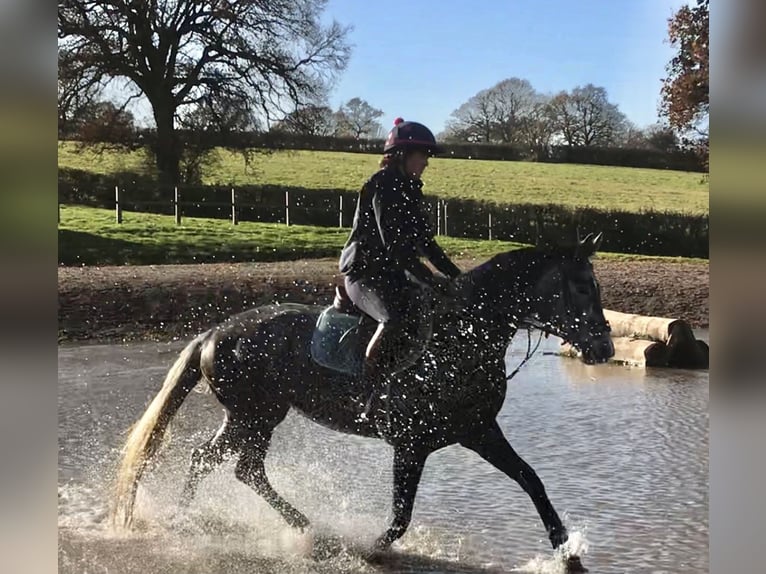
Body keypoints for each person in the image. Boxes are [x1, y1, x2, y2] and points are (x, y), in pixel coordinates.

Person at [338, 117, 462, 422]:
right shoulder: (381, 186)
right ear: (403, 155)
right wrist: (430, 278)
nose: (426, 164)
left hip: (391, 275)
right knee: (392, 319)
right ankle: (368, 396)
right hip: (363, 275)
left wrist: (459, 278)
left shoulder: (410, 190)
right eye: (423, 156)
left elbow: (427, 245)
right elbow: (396, 248)